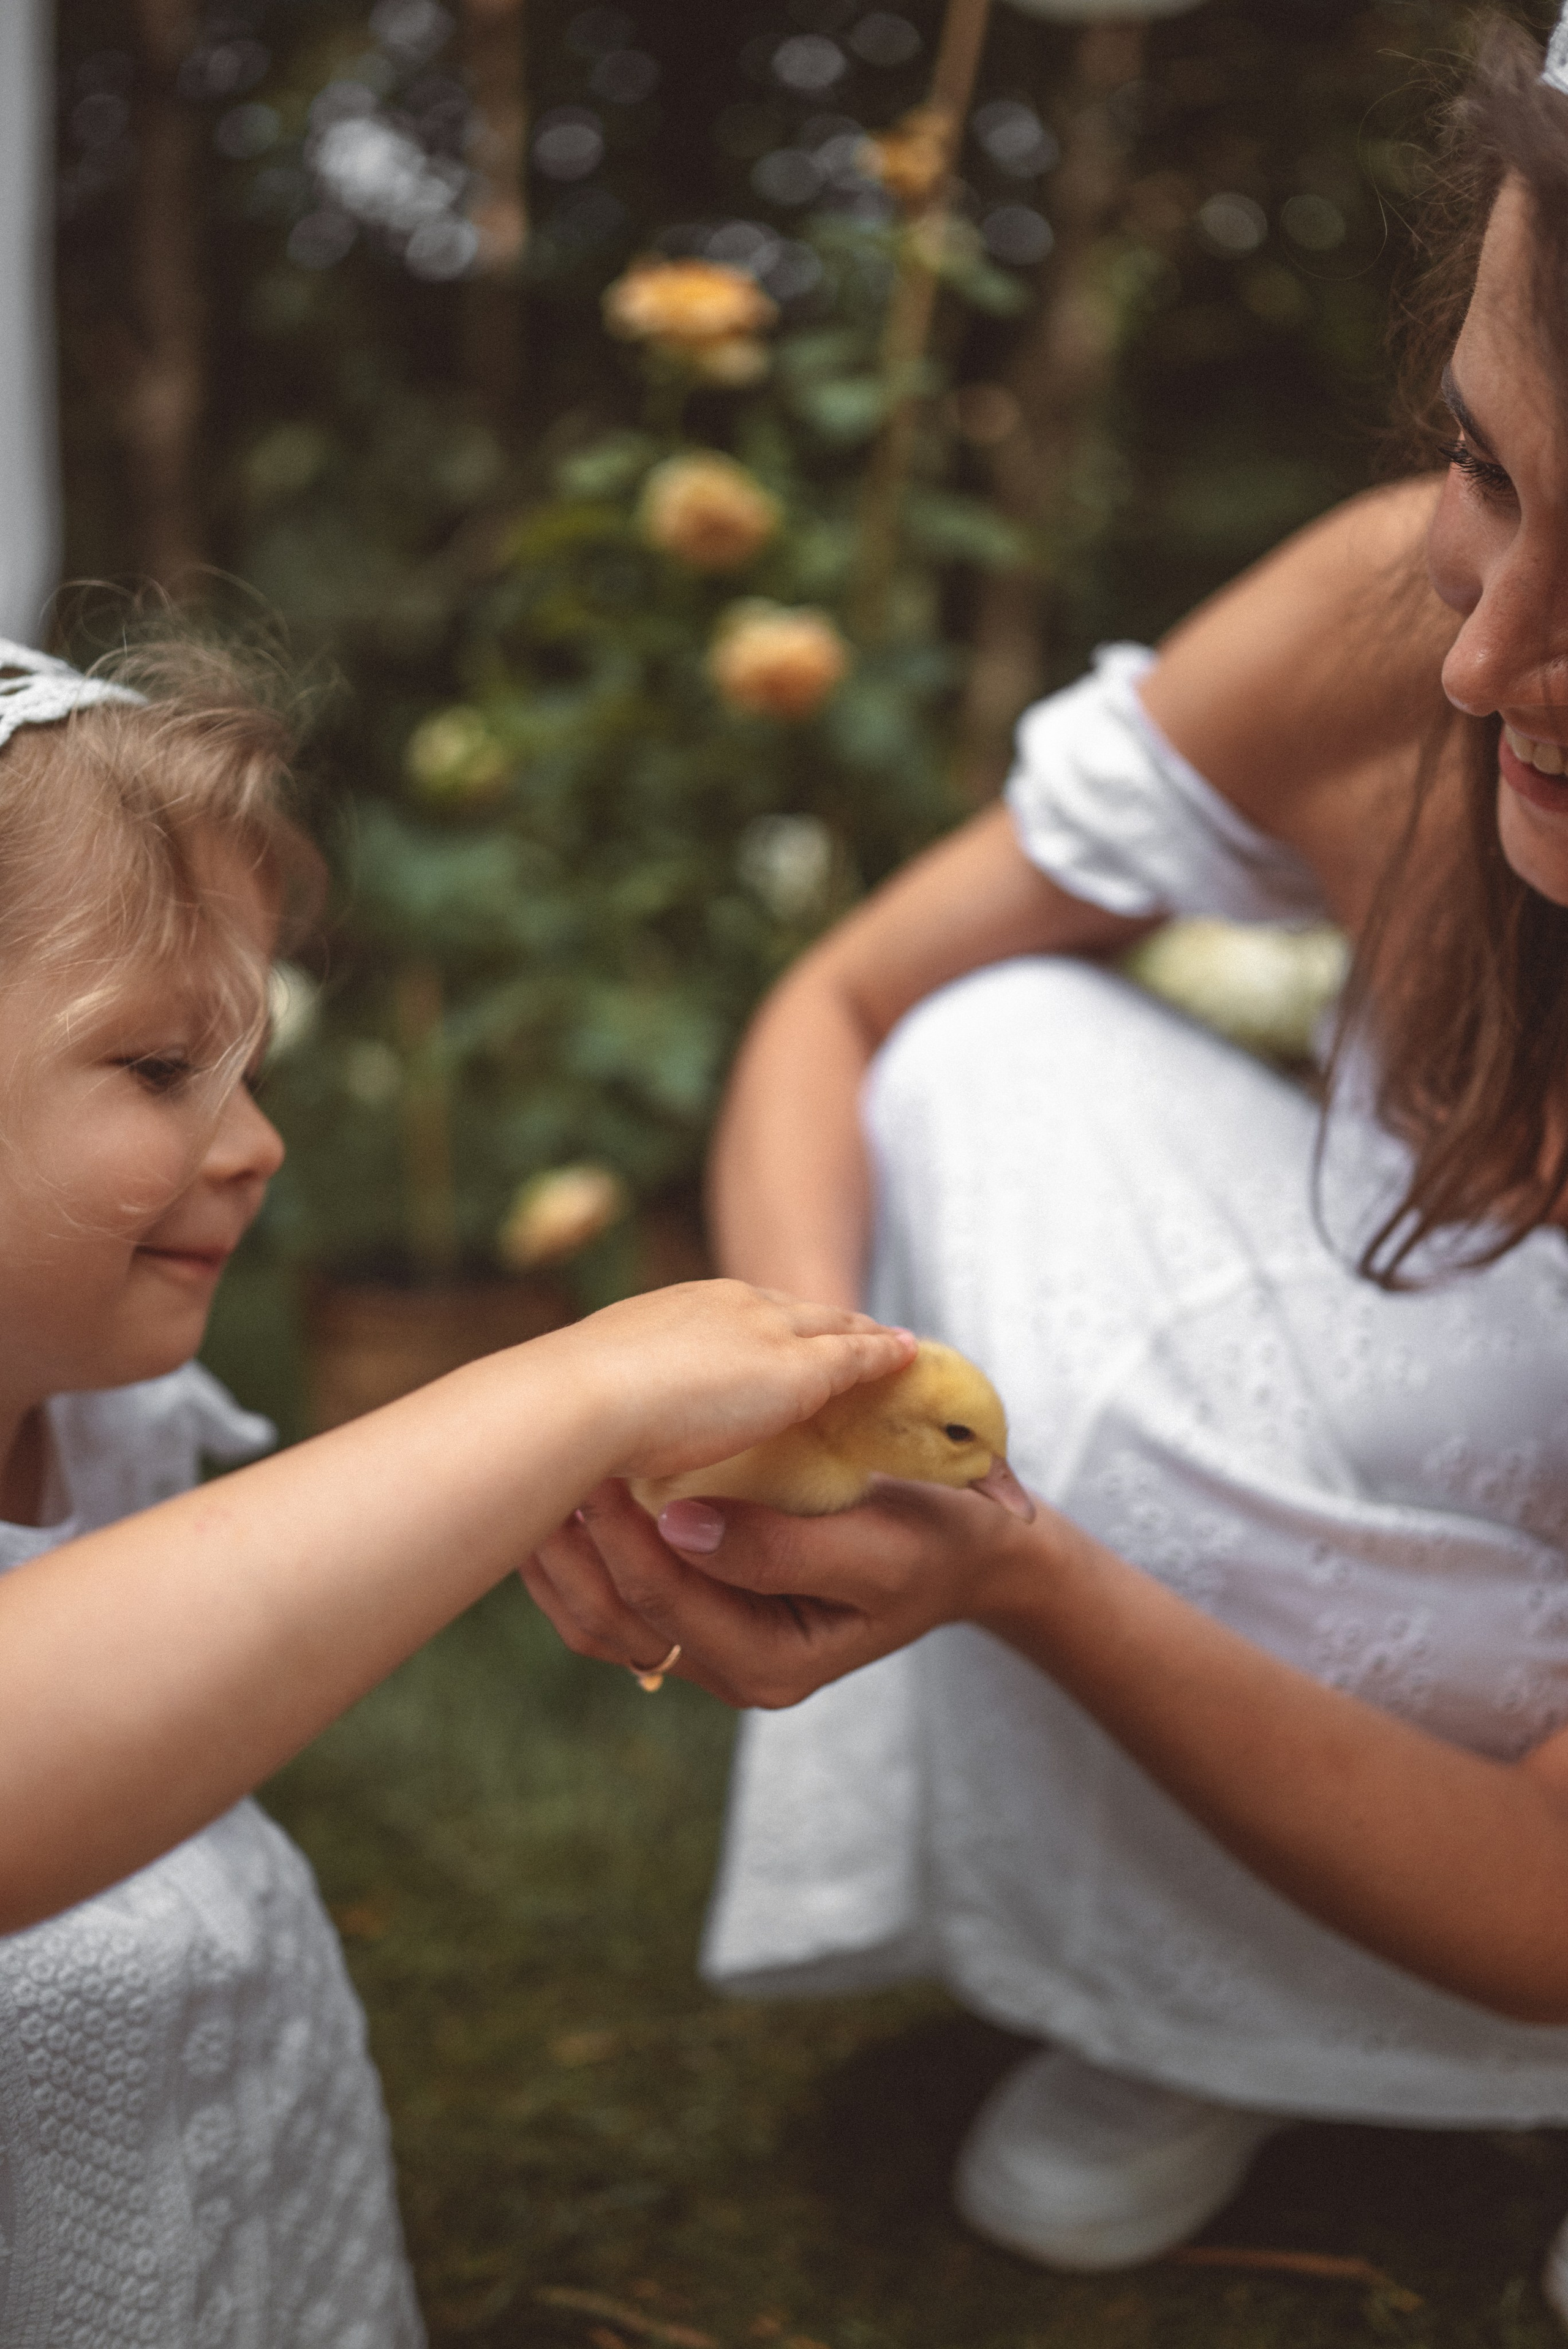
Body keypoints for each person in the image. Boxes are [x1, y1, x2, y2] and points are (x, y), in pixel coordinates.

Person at [520, 9, 1568, 2320]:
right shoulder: (1396, 619)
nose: (1488, 656)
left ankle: (1370, 2018)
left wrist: (1022, 1576)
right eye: (1492, 470)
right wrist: (798, 1393)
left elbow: (1548, 1890)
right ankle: (1184, 1971)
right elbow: (846, 1007)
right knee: (990, 1045)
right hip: (1468, 1462)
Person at [0, 633, 917, 2348]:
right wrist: (567, 1391)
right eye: (154, 1067)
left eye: (250, 1061)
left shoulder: (85, 1409)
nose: (257, 1140)